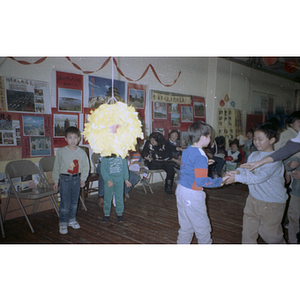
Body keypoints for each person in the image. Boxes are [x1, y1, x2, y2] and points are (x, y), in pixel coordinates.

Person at [225, 122, 288, 243]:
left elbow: (258, 177)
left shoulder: (275, 159)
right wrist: (235, 173)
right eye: (254, 139)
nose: (256, 142)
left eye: (260, 139)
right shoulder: (254, 154)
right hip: (253, 199)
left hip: (272, 203)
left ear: (272, 140)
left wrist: (237, 178)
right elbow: (244, 168)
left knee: (271, 235)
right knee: (248, 232)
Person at [175, 121, 228, 244]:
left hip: (181, 190)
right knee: (203, 229)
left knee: (186, 228)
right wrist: (220, 181)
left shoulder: (188, 150)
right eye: (209, 137)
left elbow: (187, 166)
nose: (210, 139)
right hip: (193, 194)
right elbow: (202, 181)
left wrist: (204, 164)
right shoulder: (200, 156)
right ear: (203, 137)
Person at [52, 126, 89, 235]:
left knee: (74, 202)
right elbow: (57, 166)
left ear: (79, 138)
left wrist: (83, 179)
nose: (73, 140)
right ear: (65, 138)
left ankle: (72, 220)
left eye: (75, 137)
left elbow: (86, 167)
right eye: (70, 137)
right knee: (65, 202)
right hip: (64, 179)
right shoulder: (61, 152)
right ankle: (63, 223)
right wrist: (56, 180)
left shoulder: (82, 152)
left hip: (76, 179)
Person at [100, 154, 132, 223]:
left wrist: (126, 179)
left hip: (119, 179)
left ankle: (119, 213)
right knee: (107, 198)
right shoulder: (106, 157)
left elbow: (125, 168)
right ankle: (106, 214)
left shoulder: (122, 156)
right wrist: (107, 180)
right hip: (109, 179)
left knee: (119, 197)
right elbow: (103, 169)